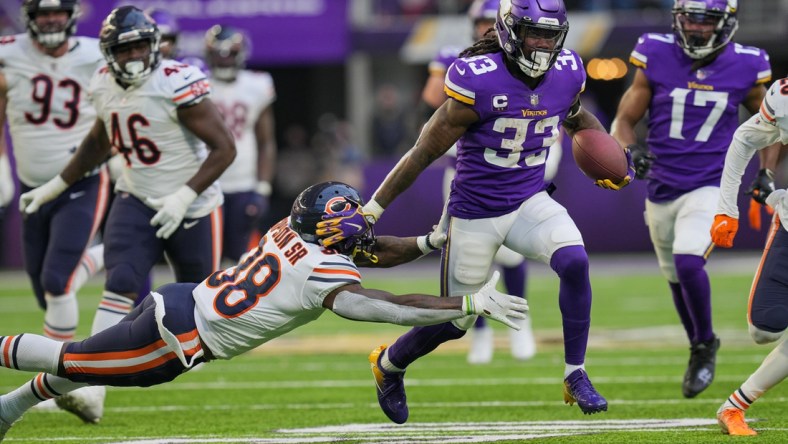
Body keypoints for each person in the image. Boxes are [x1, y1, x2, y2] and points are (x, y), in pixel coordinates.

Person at [0, 181, 529, 441]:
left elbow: (372, 250)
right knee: (75, 361)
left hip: (182, 305)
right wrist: (465, 303)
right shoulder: (320, 271)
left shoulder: (291, 233)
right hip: (181, 336)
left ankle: (9, 408)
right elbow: (385, 306)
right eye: (346, 213)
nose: (357, 220)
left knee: (86, 362)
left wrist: (428, 240)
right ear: (324, 222)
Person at [319, 0, 629, 423]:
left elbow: (575, 118)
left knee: (575, 261)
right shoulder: (476, 80)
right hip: (473, 213)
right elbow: (421, 153)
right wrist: (372, 210)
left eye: (549, 36)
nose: (541, 44)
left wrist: (615, 155)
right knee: (454, 320)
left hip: (528, 201)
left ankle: (575, 373)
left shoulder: (569, 71)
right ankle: (389, 364)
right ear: (507, 31)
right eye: (533, 33)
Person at [17, 5, 236, 423]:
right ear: (108, 53)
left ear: (153, 46)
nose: (133, 55)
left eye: (140, 46)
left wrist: (184, 196)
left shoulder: (175, 82)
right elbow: (99, 140)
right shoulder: (102, 82)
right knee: (120, 282)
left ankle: (115, 363)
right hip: (135, 196)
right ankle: (91, 389)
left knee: (200, 310)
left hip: (194, 206)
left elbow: (226, 148)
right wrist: (57, 184)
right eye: (124, 48)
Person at [610, 0, 775, 399]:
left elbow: (773, 122)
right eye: (689, 19)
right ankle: (700, 343)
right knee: (673, 274)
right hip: (662, 187)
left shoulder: (748, 64)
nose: (696, 29)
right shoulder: (655, 51)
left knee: (687, 261)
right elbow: (624, 120)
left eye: (705, 21)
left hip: (711, 184)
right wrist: (629, 150)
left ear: (725, 24)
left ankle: (704, 345)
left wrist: (766, 170)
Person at [421, 0, 538, 364]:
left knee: (513, 255)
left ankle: (522, 323)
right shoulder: (459, 59)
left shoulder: (527, 60)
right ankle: (481, 333)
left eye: (494, 20)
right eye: (483, 20)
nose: (488, 27)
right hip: (465, 171)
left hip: (511, 170)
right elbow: (431, 95)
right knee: (471, 258)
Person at [710, 77, 788, 436]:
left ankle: (735, 407)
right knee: (763, 329)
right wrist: (727, 210)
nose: (774, 131)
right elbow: (744, 140)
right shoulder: (780, 107)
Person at [204, 25, 277, 262]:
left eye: (230, 54)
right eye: (218, 54)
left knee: (242, 260)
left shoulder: (256, 85)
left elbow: (266, 141)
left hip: (243, 184)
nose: (224, 61)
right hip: (205, 183)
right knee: (205, 258)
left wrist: (262, 188)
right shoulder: (197, 83)